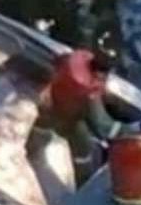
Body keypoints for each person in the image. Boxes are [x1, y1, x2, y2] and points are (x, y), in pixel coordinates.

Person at [32, 48, 121, 187]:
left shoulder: (78, 57)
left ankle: (32, 149)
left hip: (50, 103)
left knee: (41, 127)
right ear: (101, 72)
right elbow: (100, 122)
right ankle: (83, 183)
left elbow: (58, 60)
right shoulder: (91, 87)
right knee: (83, 148)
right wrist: (122, 131)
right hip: (69, 119)